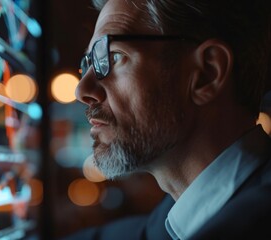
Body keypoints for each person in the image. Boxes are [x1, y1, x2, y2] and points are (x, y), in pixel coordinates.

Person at [64, 0, 271, 239]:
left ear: (207, 73)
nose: (81, 90)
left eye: (112, 57)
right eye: (88, 63)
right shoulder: (177, 217)